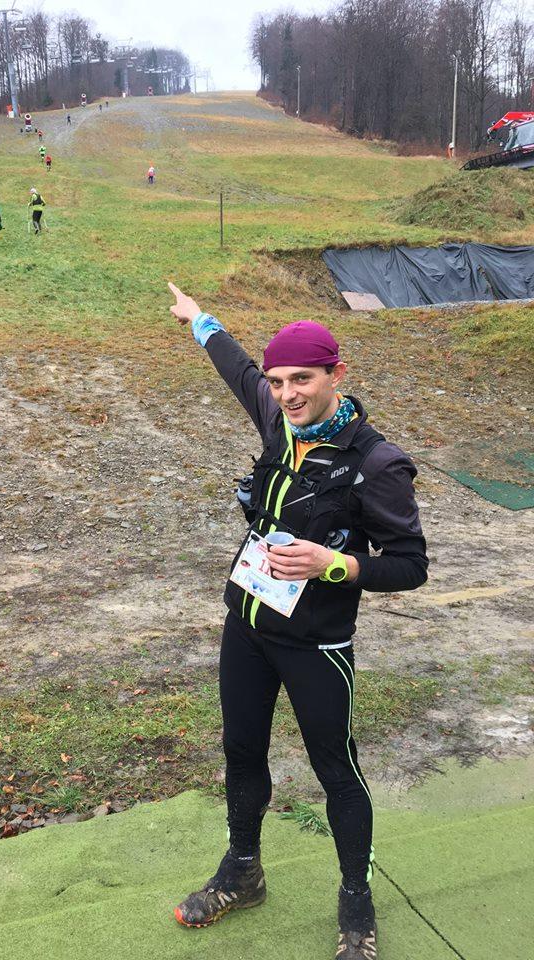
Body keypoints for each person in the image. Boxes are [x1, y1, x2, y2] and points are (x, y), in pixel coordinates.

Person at [167, 283, 429, 960]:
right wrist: (199, 319)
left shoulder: (378, 464)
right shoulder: (277, 420)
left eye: (303, 380)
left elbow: (409, 564)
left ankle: (356, 913)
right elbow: (236, 366)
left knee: (336, 771)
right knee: (242, 752)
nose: (287, 394)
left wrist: (332, 565)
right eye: (280, 381)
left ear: (337, 375)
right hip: (248, 623)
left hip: (318, 644)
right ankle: (243, 872)